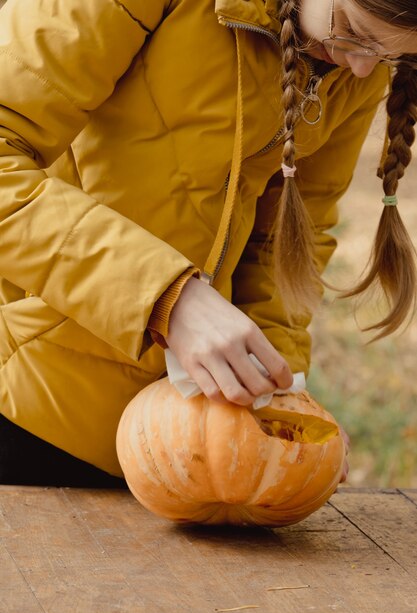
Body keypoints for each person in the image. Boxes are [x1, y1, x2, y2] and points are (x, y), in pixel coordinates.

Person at [0, 0, 416, 486]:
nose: (362, 65)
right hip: (19, 400)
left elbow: (289, 236)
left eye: (391, 56)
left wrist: (276, 390)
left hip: (172, 446)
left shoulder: (351, 61)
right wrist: (167, 298)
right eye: (351, 30)